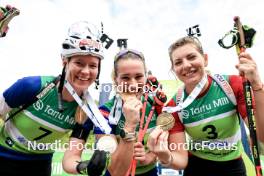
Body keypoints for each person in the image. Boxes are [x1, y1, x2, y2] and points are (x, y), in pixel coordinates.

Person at [0, 19, 109, 176]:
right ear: (65, 62)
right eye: (79, 63)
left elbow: (71, 159)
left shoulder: (88, 112)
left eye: (93, 66)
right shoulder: (31, 86)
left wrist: (84, 166)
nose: (86, 72)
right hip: (4, 156)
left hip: (40, 166)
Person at [147, 36, 264, 176]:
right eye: (178, 62)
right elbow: (181, 161)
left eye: (191, 57)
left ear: (205, 59)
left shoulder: (232, 85)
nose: (186, 65)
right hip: (197, 165)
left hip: (232, 164)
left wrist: (257, 86)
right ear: (174, 69)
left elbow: (262, 136)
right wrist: (166, 156)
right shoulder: (174, 106)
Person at [62, 48, 167, 176]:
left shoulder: (155, 104)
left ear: (146, 76)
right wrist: (129, 125)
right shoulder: (104, 112)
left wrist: (151, 157)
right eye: (125, 78)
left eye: (139, 76)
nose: (133, 85)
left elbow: (168, 143)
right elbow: (116, 172)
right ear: (115, 79)